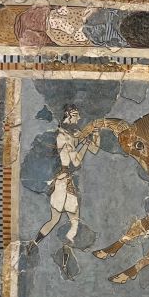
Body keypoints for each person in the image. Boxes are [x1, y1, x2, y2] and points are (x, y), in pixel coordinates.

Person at [31, 104, 100, 248]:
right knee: (68, 221)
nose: (79, 118)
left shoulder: (73, 133)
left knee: (59, 220)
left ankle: (36, 243)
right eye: (76, 115)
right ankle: (61, 248)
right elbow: (76, 162)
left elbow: (94, 149)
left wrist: (96, 134)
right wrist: (85, 144)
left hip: (64, 181)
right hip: (63, 182)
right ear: (68, 115)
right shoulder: (63, 137)